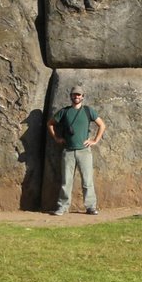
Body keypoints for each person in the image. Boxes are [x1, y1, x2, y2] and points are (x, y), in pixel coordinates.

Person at [48, 84, 106, 216]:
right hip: (68, 151)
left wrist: (95, 140)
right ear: (71, 96)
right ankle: (62, 207)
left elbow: (102, 125)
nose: (76, 97)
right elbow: (50, 123)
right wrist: (57, 138)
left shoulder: (88, 111)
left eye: (79, 95)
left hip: (84, 151)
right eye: (74, 94)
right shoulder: (64, 111)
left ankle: (91, 207)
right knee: (66, 181)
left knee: (87, 181)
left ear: (82, 97)